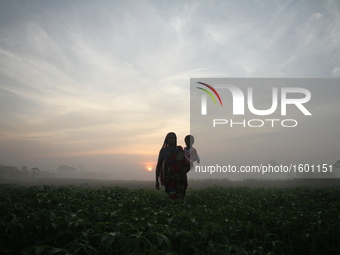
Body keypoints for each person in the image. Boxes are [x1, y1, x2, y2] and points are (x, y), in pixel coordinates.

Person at [155, 132, 189, 199]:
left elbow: (186, 163)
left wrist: (185, 170)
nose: (171, 139)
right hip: (168, 178)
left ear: (175, 139)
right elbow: (159, 165)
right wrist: (156, 181)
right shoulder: (163, 151)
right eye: (169, 138)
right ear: (166, 139)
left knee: (180, 198)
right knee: (172, 197)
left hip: (180, 178)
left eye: (173, 138)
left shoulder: (179, 150)